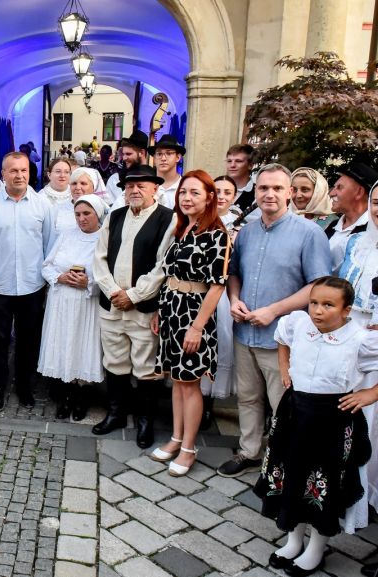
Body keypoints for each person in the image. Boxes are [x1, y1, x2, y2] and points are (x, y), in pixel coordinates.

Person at [254, 277, 378, 575]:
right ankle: (293, 539)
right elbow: (282, 337)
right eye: (314, 303)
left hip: (331, 419)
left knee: (321, 483)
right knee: (292, 475)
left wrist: (372, 393)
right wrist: (285, 367)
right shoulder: (299, 324)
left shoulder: (360, 339)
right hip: (295, 413)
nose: (318, 310)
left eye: (328, 305)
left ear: (346, 310)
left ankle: (316, 547)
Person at [217, 164, 332, 478]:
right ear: (255, 192)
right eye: (263, 188)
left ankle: (281, 462)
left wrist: (274, 310)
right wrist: (235, 299)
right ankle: (250, 452)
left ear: (290, 193)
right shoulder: (247, 232)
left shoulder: (309, 233)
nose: (270, 194)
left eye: (277, 188)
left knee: (282, 403)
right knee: (248, 397)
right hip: (245, 332)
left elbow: (318, 285)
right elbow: (234, 273)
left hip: (281, 338)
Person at [149, 171, 230, 476]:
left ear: (209, 197)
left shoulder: (217, 234)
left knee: (190, 383)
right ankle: (176, 437)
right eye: (183, 192)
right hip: (172, 309)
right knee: (177, 380)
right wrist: (160, 311)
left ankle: (188, 448)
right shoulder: (182, 229)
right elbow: (169, 275)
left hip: (194, 313)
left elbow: (217, 285)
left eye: (195, 193)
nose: (187, 198)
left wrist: (196, 327)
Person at [92, 165, 176, 448]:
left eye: (142, 185)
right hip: (112, 304)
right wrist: (114, 291)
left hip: (143, 307)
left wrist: (135, 295)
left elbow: (163, 265)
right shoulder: (115, 216)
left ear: (155, 189)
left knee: (146, 367)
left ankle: (145, 422)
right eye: (130, 186)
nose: (135, 190)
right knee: (114, 361)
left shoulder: (168, 219)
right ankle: (116, 414)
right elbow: (99, 258)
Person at [0, 152, 53, 411]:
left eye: (23, 170)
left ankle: (24, 385)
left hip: (33, 286)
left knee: (28, 340)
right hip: (0, 287)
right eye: (13, 171)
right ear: (3, 173)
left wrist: (47, 283)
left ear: (29, 173)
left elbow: (49, 246)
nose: (19, 175)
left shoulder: (42, 205)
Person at [39, 195, 107, 420]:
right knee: (64, 344)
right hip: (61, 302)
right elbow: (46, 266)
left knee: (83, 346)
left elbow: (109, 275)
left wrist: (89, 283)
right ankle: (65, 395)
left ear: (97, 214)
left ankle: (82, 396)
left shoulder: (104, 238)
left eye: (87, 213)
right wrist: (60, 277)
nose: (81, 218)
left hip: (87, 303)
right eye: (77, 214)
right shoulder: (66, 235)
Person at [339, 177, 378, 523]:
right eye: (377, 202)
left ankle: (370, 493)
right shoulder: (357, 242)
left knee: (374, 423)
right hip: (351, 336)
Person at [199, 175, 239, 429]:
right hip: (197, 289)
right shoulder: (199, 219)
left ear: (234, 197)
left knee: (217, 343)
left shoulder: (239, 224)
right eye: (217, 191)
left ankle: (208, 403)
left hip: (221, 293)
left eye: (228, 192)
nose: (222, 196)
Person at [328, 161, 377, 271]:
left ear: (359, 193)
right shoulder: (332, 226)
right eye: (334, 187)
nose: (331, 193)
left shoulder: (374, 229)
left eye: (339, 187)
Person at [54, 168, 102, 239]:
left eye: (83, 183)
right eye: (74, 183)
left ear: (93, 187)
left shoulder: (102, 210)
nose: (78, 187)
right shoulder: (58, 209)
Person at [104, 130, 148, 206]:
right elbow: (110, 208)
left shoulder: (155, 178)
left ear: (142, 153)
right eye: (123, 154)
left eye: (128, 154)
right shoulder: (115, 179)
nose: (124, 158)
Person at [290, 167, 336, 231]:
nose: (298, 195)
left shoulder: (334, 224)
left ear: (318, 192)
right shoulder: (282, 218)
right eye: (294, 190)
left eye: (305, 189)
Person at [147, 134, 185, 209]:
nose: (163, 158)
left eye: (169, 153)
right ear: (154, 158)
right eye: (159, 154)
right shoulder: (146, 187)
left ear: (178, 157)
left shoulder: (185, 186)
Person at [226, 144, 256, 215]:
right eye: (229, 161)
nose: (232, 165)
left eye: (238, 161)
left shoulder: (257, 193)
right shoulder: (215, 187)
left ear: (250, 165)